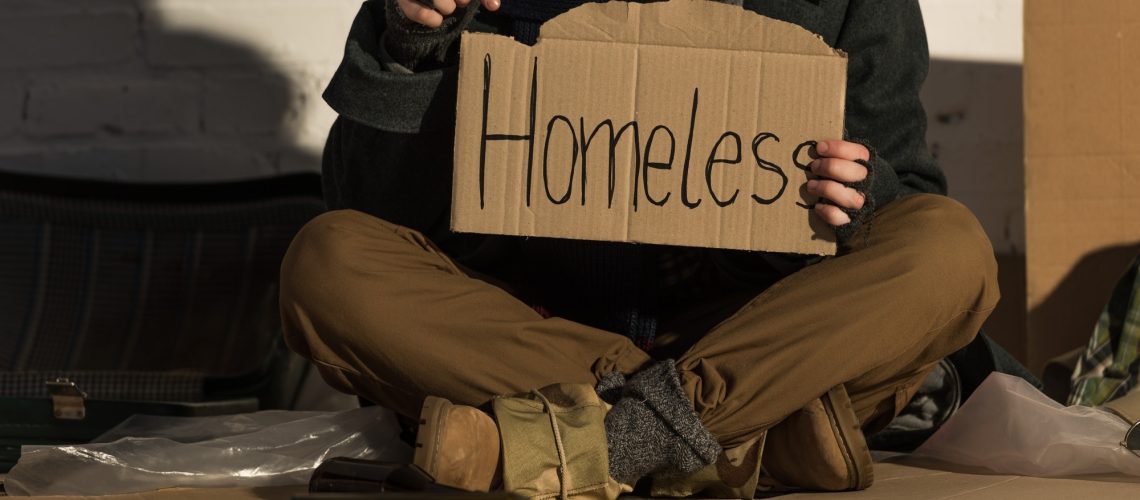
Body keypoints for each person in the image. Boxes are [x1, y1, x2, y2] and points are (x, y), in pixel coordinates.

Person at [280, 0, 999, 495]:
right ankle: (747, 451)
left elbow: (907, 197)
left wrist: (862, 193)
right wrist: (410, 47)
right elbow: (368, 214)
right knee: (326, 258)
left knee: (949, 245)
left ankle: (559, 447)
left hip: (754, 329)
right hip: (530, 336)